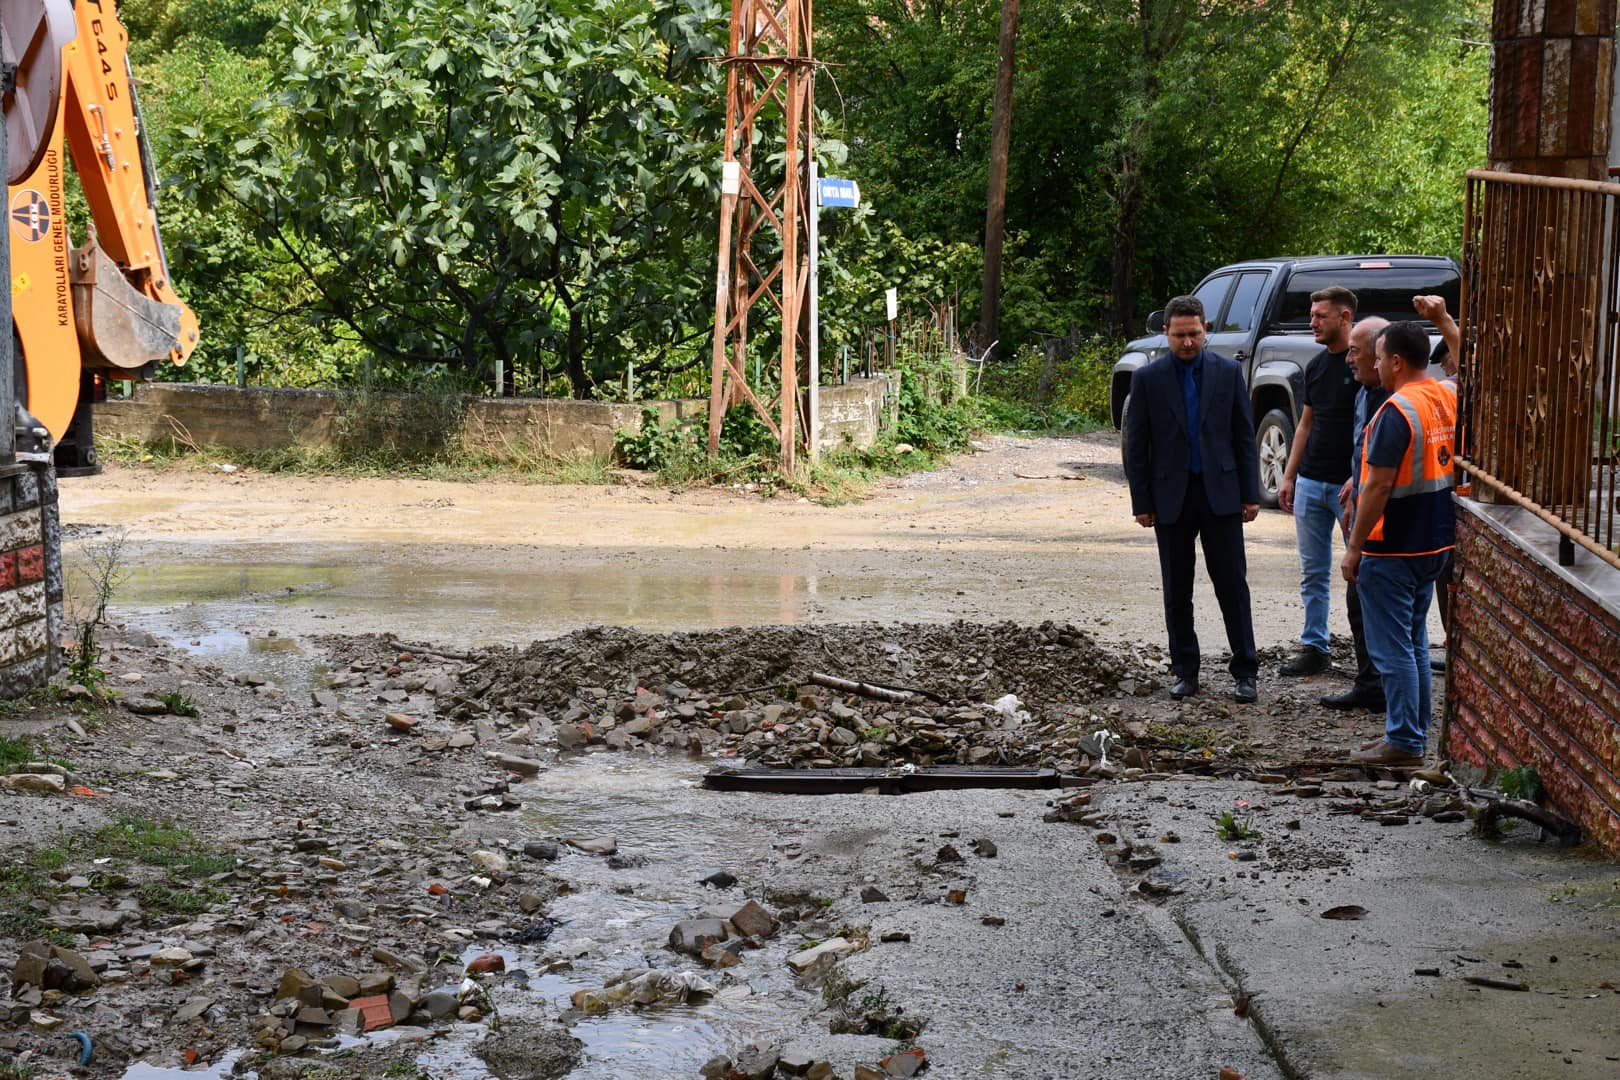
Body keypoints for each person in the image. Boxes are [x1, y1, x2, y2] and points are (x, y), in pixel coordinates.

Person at [1125, 294, 1261, 704]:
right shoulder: (1148, 379)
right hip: (1171, 497)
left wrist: (1250, 494)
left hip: (1220, 495)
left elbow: (1243, 436)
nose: (1188, 342)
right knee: (1177, 589)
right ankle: (1186, 671)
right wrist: (1141, 502)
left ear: (1206, 331)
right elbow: (1138, 445)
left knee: (1232, 586)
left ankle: (1246, 671)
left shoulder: (1227, 372)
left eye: (1195, 334)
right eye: (1180, 335)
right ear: (1166, 333)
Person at [1341, 320, 1458, 765]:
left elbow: (1378, 487)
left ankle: (1405, 741)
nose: (1373, 364)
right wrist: (1446, 320)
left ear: (1395, 361)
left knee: (1393, 649)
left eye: (1378, 356)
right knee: (1412, 643)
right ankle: (1409, 734)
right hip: (1434, 542)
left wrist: (1354, 547)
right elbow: (1474, 368)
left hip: (1393, 547)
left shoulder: (1396, 410)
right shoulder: (1444, 395)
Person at [1276, 286, 1361, 677]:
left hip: (1349, 487)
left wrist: (1357, 475)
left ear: (1344, 317)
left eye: (1320, 316)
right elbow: (1306, 423)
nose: (1312, 322)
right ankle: (1315, 646)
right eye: (1312, 315)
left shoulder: (1362, 366)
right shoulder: (1315, 365)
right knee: (1313, 571)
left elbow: (1371, 427)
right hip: (1311, 482)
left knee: (1358, 570)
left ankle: (1368, 655)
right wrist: (1289, 476)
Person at [1322, 316, 1389, 712]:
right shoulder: (1365, 391)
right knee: (1357, 601)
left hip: (1382, 527)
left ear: (1381, 356)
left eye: (1355, 351)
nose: (1348, 359)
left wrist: (1358, 543)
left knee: (1376, 606)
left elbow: (1385, 476)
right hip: (1361, 509)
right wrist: (1353, 477)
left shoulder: (1394, 401)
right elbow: (1365, 450)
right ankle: (1369, 682)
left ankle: (1385, 696)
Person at [1413, 293, 1461, 672]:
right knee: (1443, 577)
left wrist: (1444, 321)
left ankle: (1455, 645)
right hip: (1449, 495)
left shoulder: (1458, 389)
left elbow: (1470, 373)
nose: (1445, 370)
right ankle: (1451, 643)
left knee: (1447, 576)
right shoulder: (1446, 391)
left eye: (1447, 362)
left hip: (1459, 495)